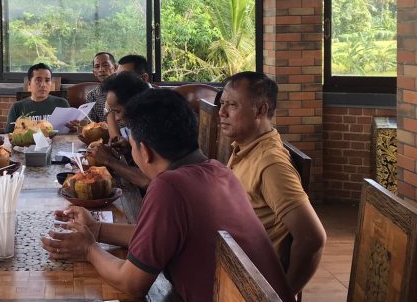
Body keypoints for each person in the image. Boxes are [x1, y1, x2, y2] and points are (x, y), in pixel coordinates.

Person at [40, 89, 293, 301]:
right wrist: (97, 229)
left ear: (145, 151)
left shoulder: (169, 187)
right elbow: (159, 236)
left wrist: (88, 249)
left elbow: (131, 283)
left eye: (132, 144)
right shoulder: (219, 171)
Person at [221, 71, 326, 295]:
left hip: (252, 282)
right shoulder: (245, 145)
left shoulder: (271, 165)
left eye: (232, 105)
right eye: (222, 103)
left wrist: (282, 296)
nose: (222, 112)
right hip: (233, 263)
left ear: (261, 110)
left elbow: (312, 238)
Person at [85, 71, 150, 189]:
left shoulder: (152, 129)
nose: (116, 118)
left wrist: (109, 160)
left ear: (135, 104)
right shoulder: (137, 125)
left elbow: (148, 181)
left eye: (117, 111)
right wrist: (128, 150)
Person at [5, 63, 69, 133]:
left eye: (47, 80)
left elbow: (69, 133)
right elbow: (8, 134)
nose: (43, 85)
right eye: (38, 80)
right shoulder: (17, 107)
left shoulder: (62, 104)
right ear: (29, 84)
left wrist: (73, 128)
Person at [86, 52, 116, 122]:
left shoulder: (126, 91)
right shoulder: (92, 95)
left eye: (105, 65)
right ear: (94, 73)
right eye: (97, 67)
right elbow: (92, 123)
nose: (101, 70)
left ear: (115, 68)